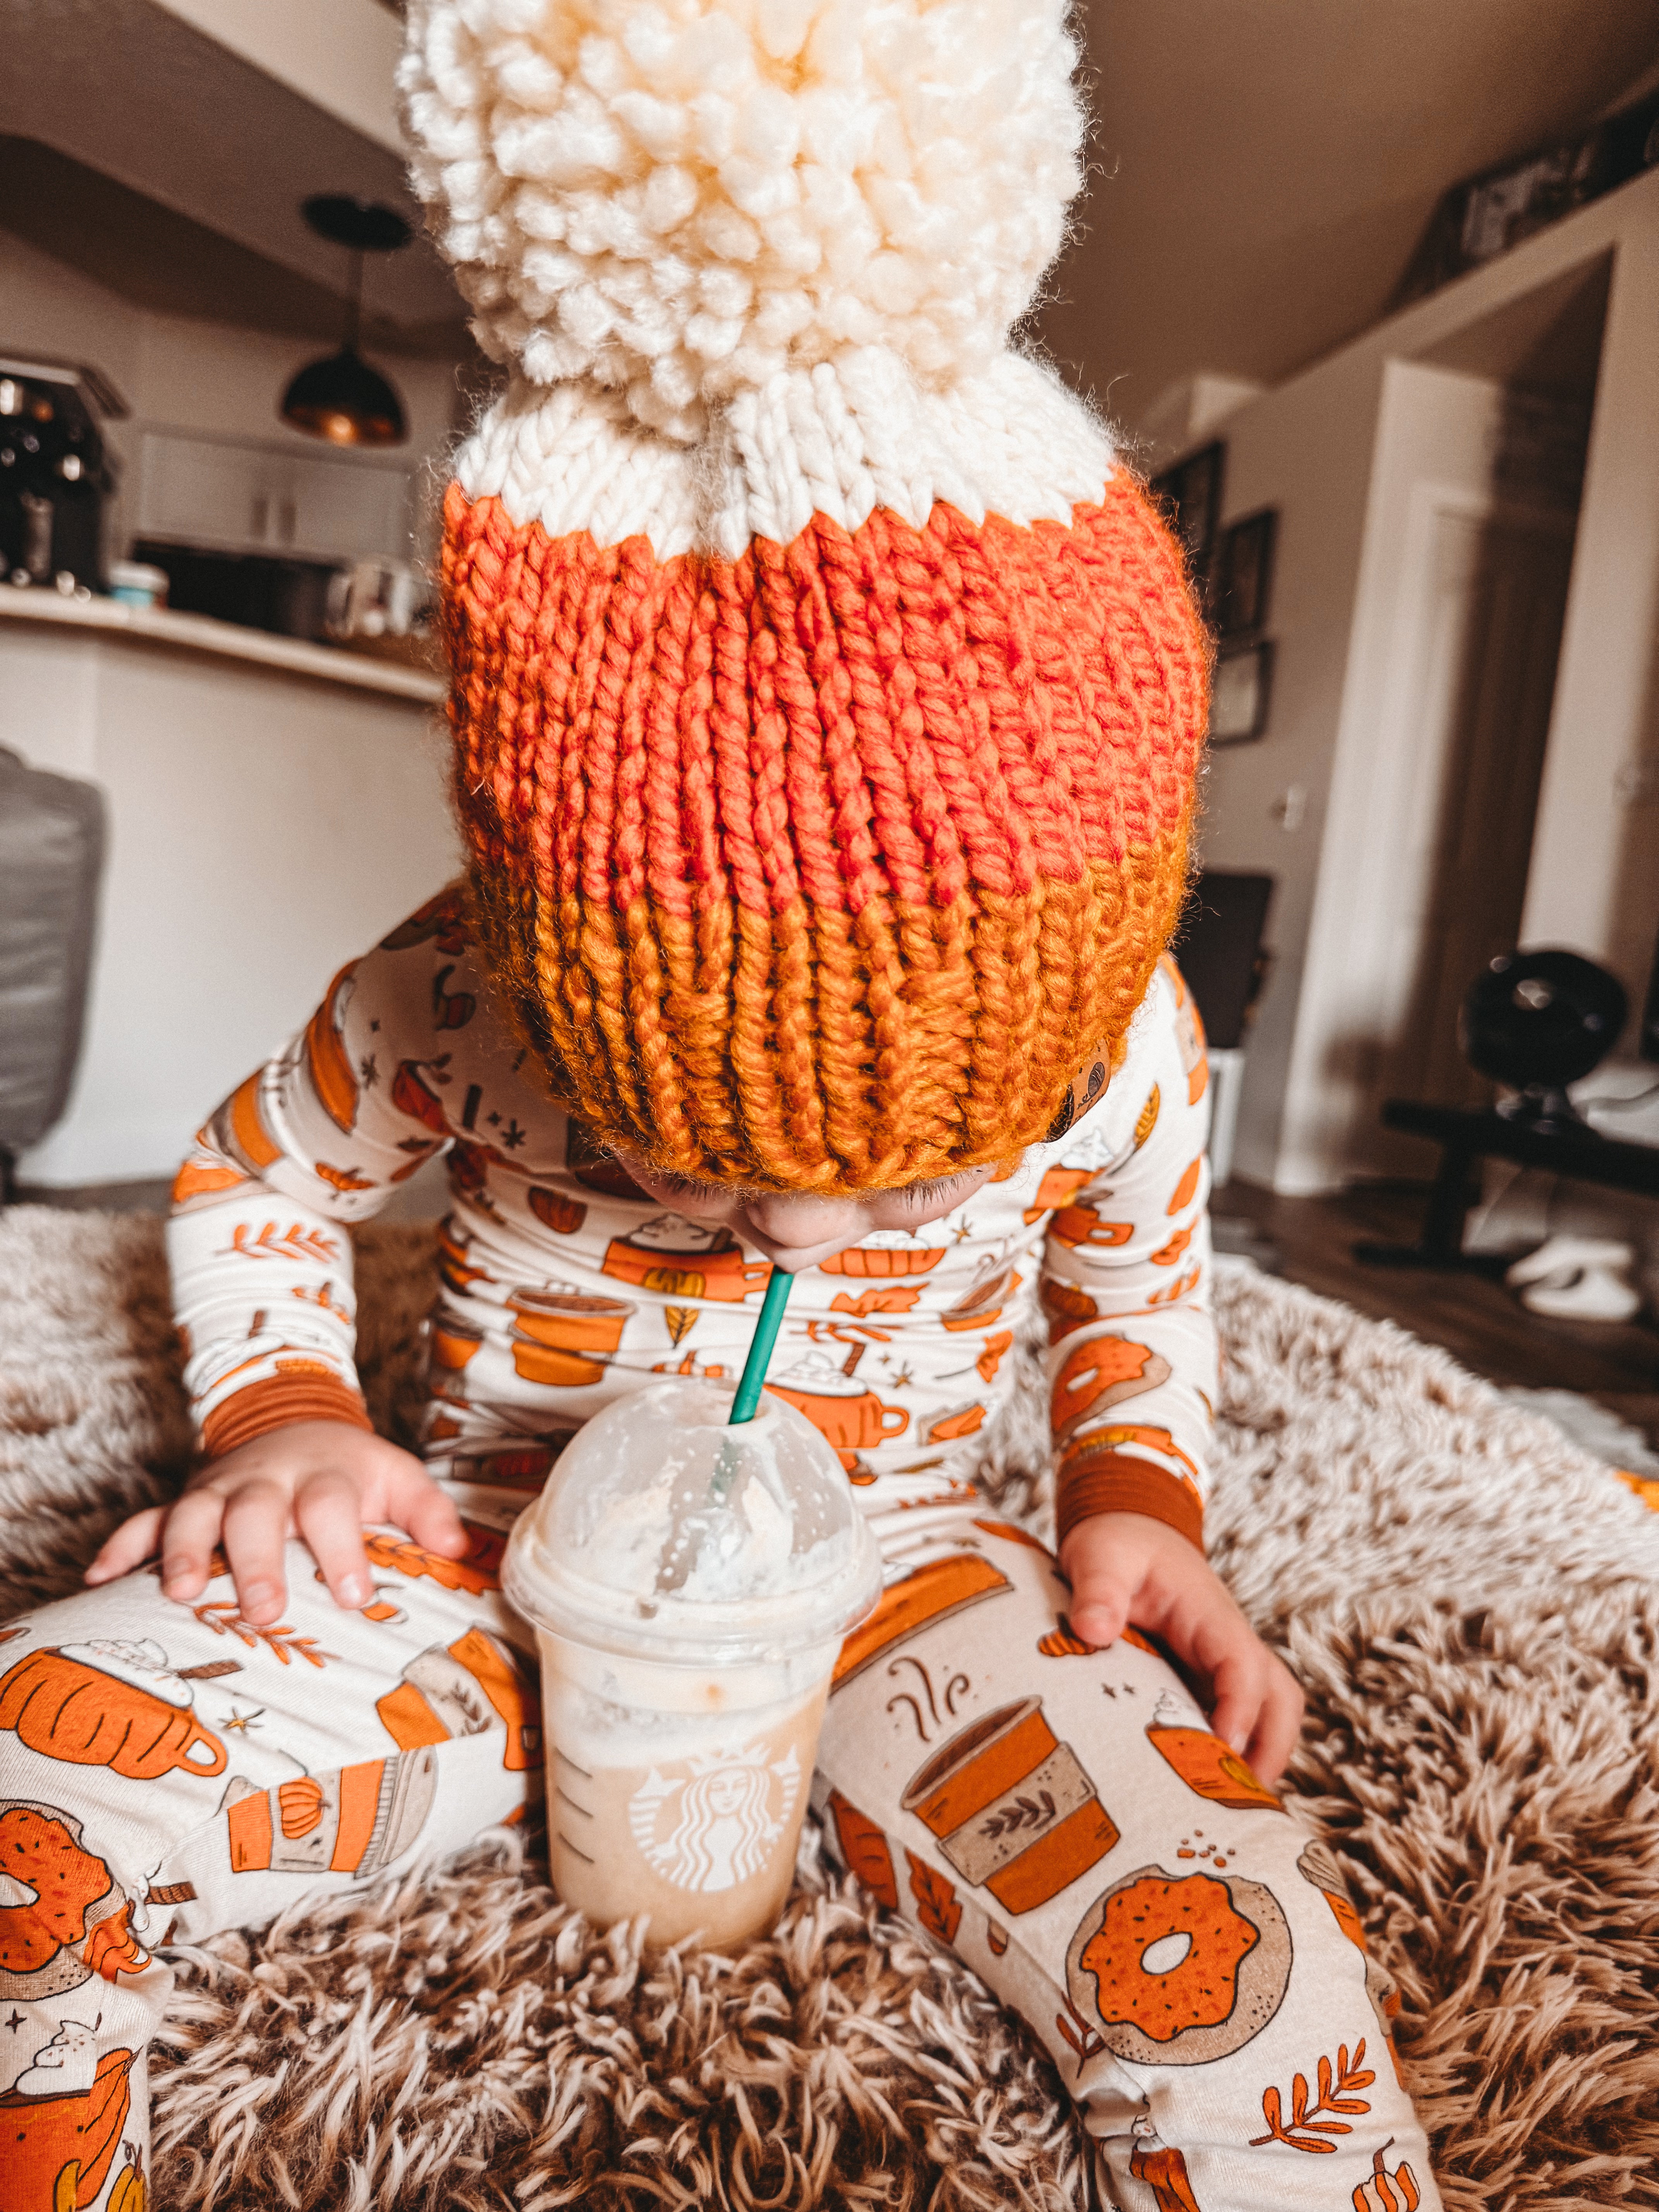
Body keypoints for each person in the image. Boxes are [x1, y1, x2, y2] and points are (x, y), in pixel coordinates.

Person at [0, 0, 1441, 2203]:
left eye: (920, 1176)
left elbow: (1140, 1273)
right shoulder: (455, 994)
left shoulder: (1120, 1033)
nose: (801, 1243)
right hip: (472, 1553)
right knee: (32, 1788)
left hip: (898, 1583)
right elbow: (254, 1182)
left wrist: (1142, 1492)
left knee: (1247, 1970)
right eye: (706, 1163)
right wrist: (285, 1422)